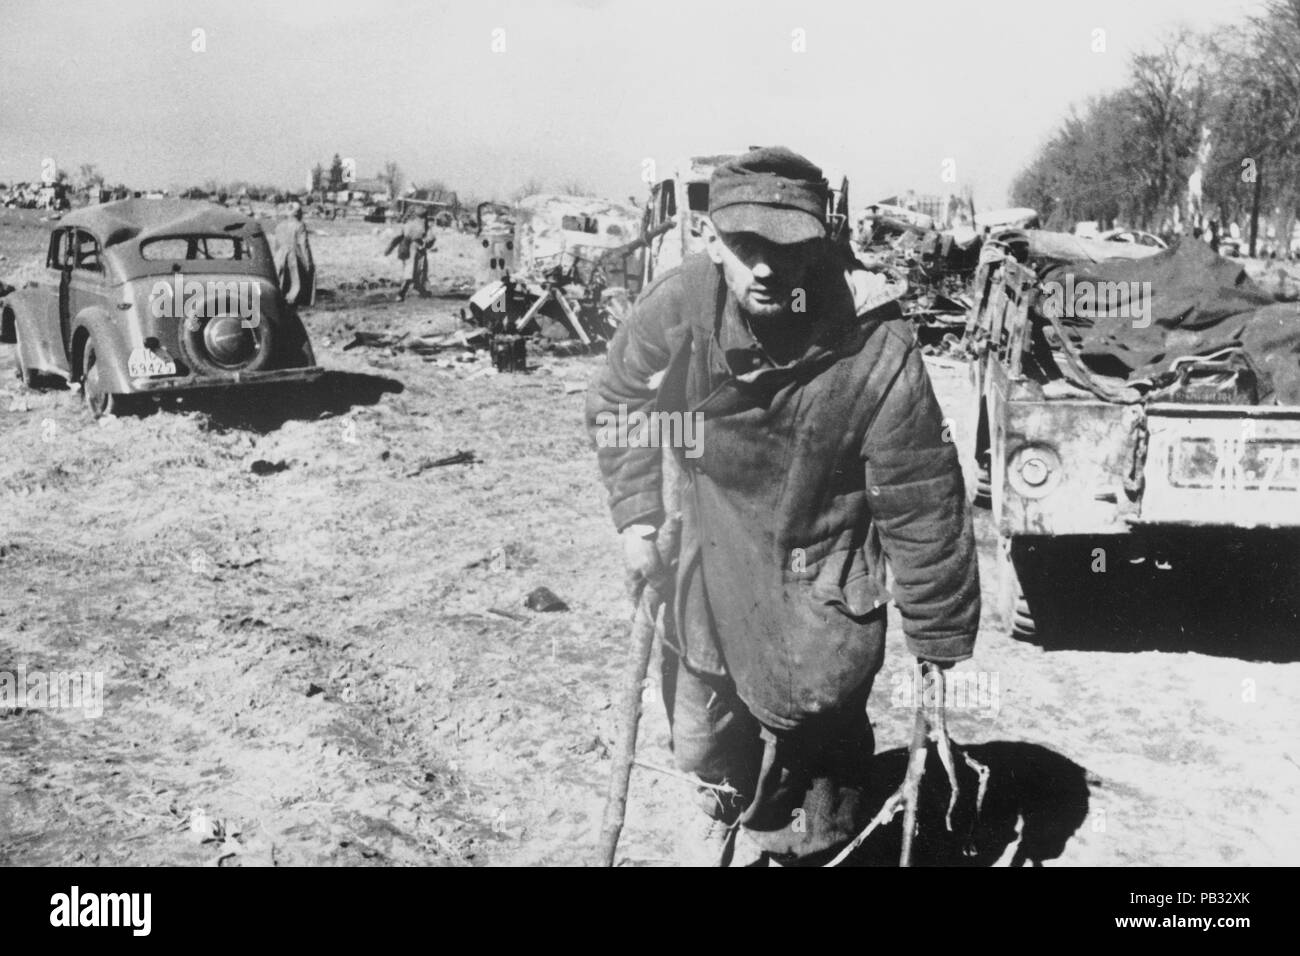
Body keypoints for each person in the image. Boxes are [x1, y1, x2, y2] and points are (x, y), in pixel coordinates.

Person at [586, 146, 980, 866]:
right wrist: (639, 519)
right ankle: (722, 809)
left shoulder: (874, 343)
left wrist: (937, 633)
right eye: (746, 246)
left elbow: (921, 494)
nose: (766, 268)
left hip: (821, 577)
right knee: (705, 739)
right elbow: (620, 399)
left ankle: (810, 842)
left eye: (788, 247)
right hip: (710, 559)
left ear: (823, 244)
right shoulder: (682, 306)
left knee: (818, 774)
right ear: (712, 239)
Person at [384, 209, 437, 301]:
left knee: (413, 272)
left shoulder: (408, 224)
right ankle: (401, 294)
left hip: (406, 250)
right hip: (418, 250)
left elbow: (397, 238)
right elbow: (431, 238)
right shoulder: (424, 225)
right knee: (417, 272)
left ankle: (421, 291)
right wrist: (426, 244)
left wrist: (389, 249)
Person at [272, 201, 315, 307]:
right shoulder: (299, 225)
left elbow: (276, 245)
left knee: (281, 282)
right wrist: (309, 263)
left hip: (279, 257)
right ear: (298, 213)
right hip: (294, 257)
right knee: (295, 284)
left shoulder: (279, 226)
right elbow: (303, 245)